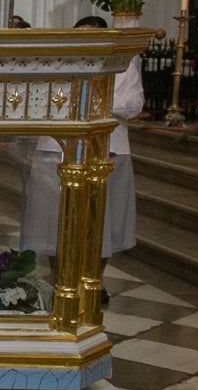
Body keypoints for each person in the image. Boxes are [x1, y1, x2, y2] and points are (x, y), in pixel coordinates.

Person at [19, 15, 144, 297]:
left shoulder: (123, 65)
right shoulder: (56, 63)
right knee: (55, 220)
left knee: (101, 221)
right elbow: (42, 99)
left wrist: (91, 98)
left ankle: (93, 281)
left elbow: (134, 104)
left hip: (109, 148)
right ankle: (59, 277)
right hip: (56, 149)